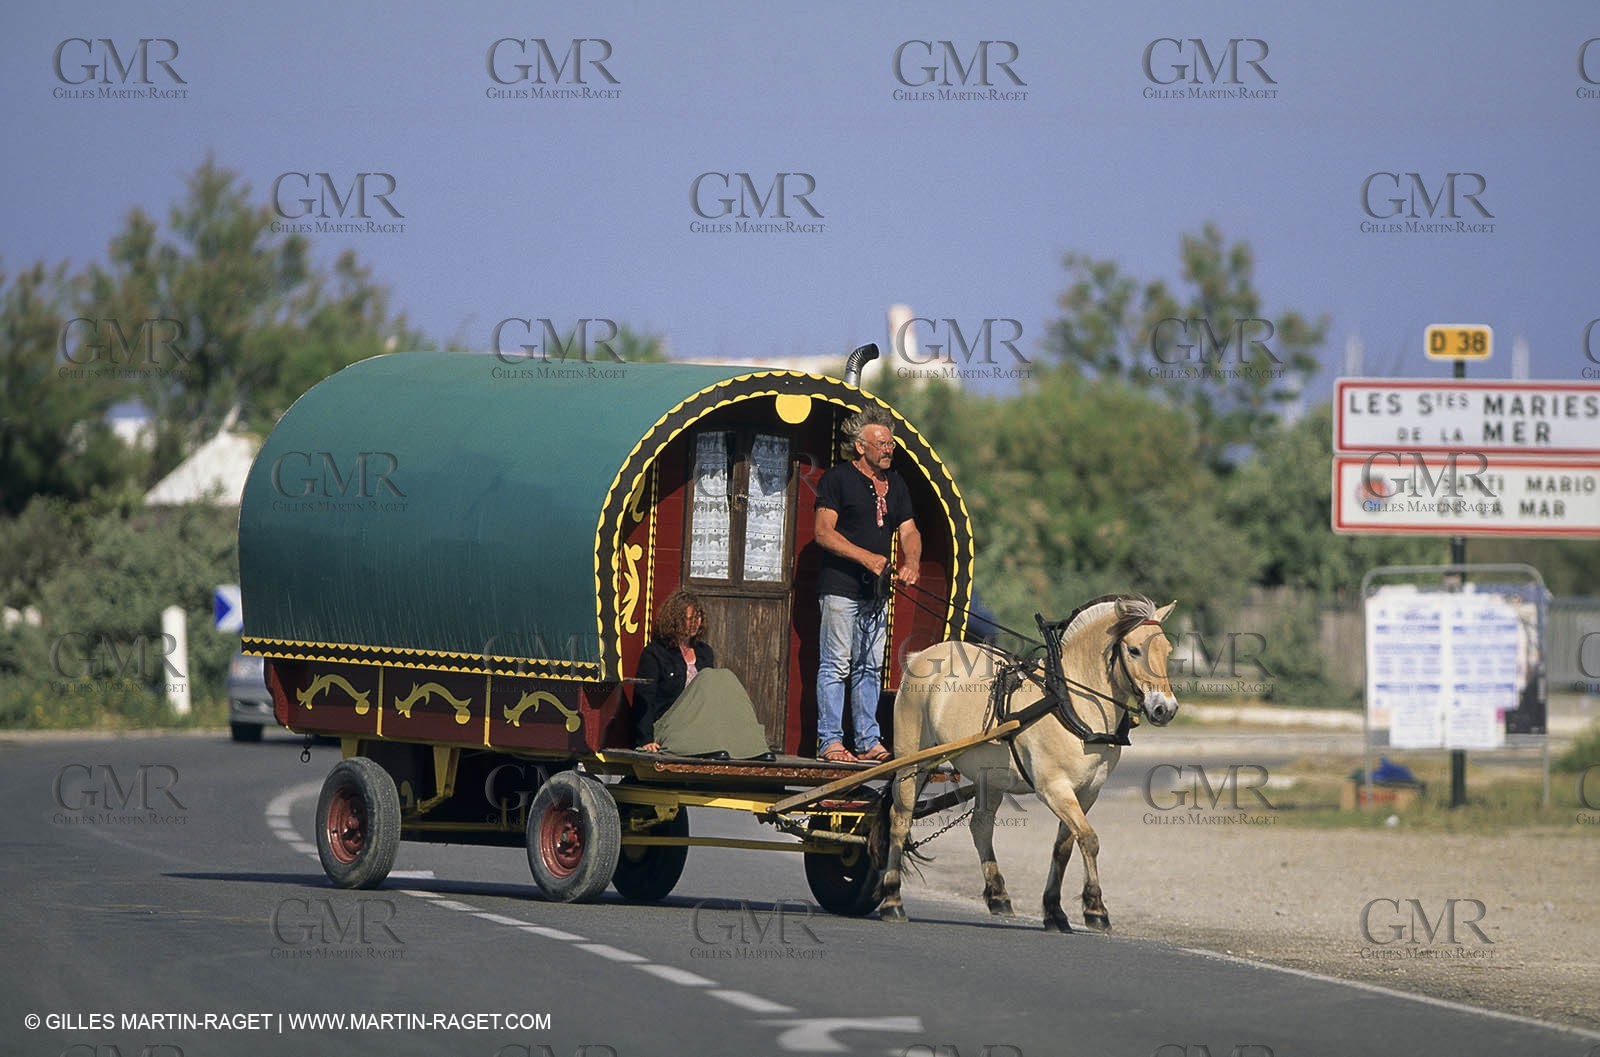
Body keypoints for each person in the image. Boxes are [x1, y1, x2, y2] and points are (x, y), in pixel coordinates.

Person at [812, 407, 921, 763]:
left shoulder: (897, 485)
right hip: (840, 588)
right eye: (881, 444)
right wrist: (867, 558)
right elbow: (823, 533)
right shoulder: (836, 479)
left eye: (890, 443)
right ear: (860, 447)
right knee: (837, 665)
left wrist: (912, 562)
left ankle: (868, 740)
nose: (888, 449)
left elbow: (908, 530)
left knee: (869, 667)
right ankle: (829, 741)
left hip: (875, 593)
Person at [633, 588, 770, 759]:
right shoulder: (655, 653)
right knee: (707, 677)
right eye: (688, 618)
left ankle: (752, 747)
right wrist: (645, 739)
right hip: (669, 724)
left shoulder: (705, 652)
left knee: (724, 676)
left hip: (699, 724)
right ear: (674, 619)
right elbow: (644, 698)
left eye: (697, 618)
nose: (694, 623)